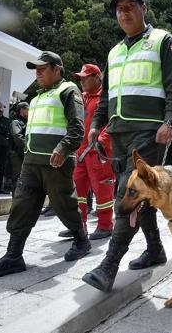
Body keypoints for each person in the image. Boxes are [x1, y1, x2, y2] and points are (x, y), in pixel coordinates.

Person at [81, 0, 172, 292]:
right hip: (118, 136)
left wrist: (170, 122)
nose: (124, 13)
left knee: (125, 197)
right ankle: (155, 250)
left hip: (150, 133)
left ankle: (108, 266)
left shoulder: (161, 40)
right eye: (119, 8)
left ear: (144, 7)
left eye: (130, 6)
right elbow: (106, 98)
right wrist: (96, 125)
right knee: (139, 196)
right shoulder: (114, 52)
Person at [0, 51, 90, 279]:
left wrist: (63, 148)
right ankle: (13, 257)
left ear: (57, 69)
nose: (37, 73)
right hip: (31, 163)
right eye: (36, 69)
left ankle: (81, 240)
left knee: (63, 204)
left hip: (56, 163)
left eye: (42, 68)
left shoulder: (68, 91)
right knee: (22, 206)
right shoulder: (36, 97)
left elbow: (77, 129)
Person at [58, 64, 115, 241]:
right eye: (80, 78)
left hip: (98, 153)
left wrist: (101, 142)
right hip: (79, 153)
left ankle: (105, 226)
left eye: (85, 77)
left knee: (102, 189)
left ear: (97, 78)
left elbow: (113, 121)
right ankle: (78, 225)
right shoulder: (81, 98)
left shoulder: (106, 98)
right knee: (77, 191)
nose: (82, 81)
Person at [9, 102, 28, 192]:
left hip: (24, 154)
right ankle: (16, 203)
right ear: (22, 110)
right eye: (28, 109)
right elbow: (18, 138)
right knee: (18, 178)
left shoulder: (27, 122)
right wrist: (28, 147)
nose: (30, 111)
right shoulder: (16, 123)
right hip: (17, 154)